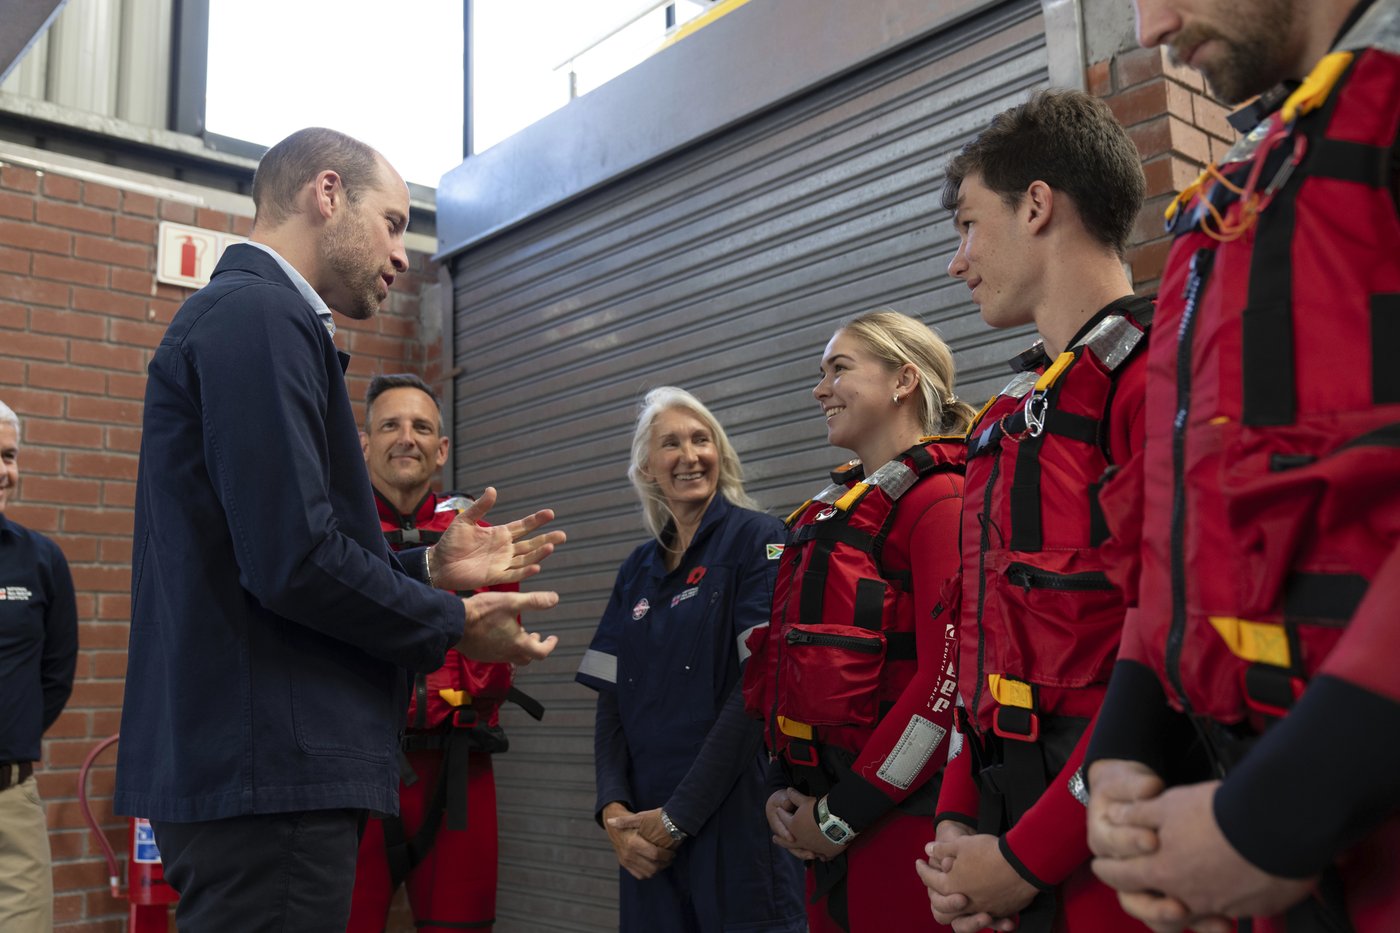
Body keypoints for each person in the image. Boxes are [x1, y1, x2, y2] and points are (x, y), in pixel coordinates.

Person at [114, 127, 565, 932]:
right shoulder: (260, 315)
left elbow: (273, 538)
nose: (402, 252)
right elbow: (293, 560)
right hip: (271, 771)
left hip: (261, 766)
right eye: (393, 222)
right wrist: (453, 622)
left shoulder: (255, 318)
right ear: (327, 194)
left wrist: (427, 566)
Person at [1083, 1, 1400, 931]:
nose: (1150, 29)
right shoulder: (1251, 188)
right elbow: (1190, 520)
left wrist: (1278, 816)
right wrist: (1125, 752)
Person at [910, 90, 1156, 933]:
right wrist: (956, 821)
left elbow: (1166, 653)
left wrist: (1026, 858)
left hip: (1116, 860)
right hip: (1002, 841)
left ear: (1039, 206)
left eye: (969, 225)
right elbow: (980, 644)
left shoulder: (1155, 378)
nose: (958, 260)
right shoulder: (1008, 420)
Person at [744, 310, 973, 932]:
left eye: (838, 369)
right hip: (821, 824)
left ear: (903, 379)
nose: (820, 389)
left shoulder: (939, 500)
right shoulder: (844, 509)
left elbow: (943, 686)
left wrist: (843, 814)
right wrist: (784, 789)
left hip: (898, 824)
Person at [576, 386, 806, 933]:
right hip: (648, 840)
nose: (690, 455)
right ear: (647, 467)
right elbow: (612, 703)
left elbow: (759, 689)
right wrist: (613, 813)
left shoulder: (759, 540)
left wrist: (680, 817)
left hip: (736, 827)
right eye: (671, 444)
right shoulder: (636, 569)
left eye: (702, 439)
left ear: (720, 452)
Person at [349, 373, 540, 933]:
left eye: (421, 426)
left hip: (459, 774)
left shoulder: (476, 533)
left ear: (442, 448)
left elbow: (502, 645)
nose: (406, 437)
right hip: (354, 776)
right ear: (363, 444)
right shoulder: (331, 530)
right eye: (390, 425)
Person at [0, 401, 77, 933]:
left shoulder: (41, 560)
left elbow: (55, 675)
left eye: (8, 455)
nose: (3, 470)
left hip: (10, 804)